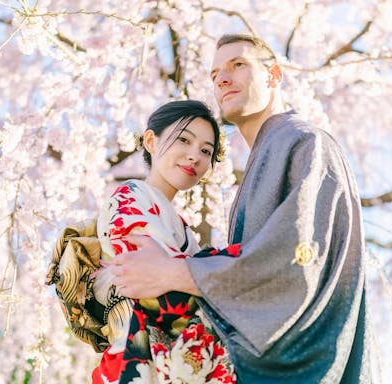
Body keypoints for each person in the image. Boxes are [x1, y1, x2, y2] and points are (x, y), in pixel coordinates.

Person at [104, 34, 373, 383]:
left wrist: (174, 273)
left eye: (238, 65)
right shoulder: (266, 158)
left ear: (273, 76)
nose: (222, 80)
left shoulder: (305, 143)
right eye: (215, 75)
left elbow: (297, 261)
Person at [87, 100, 237, 383]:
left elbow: (182, 276)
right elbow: (161, 282)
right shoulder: (130, 198)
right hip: (137, 353)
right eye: (184, 140)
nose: (195, 156)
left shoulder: (180, 226)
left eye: (206, 151)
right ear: (151, 141)